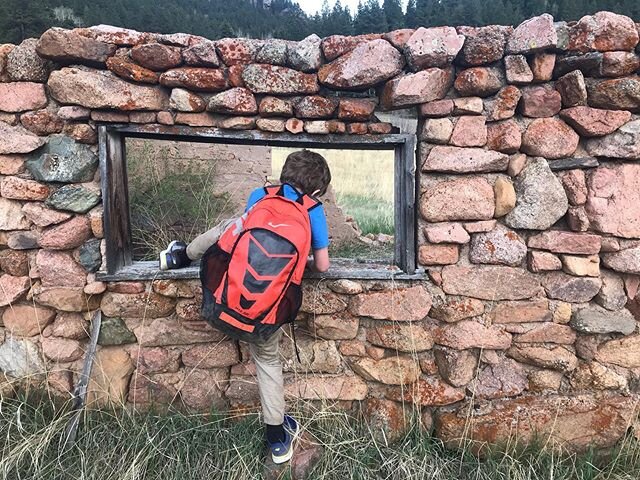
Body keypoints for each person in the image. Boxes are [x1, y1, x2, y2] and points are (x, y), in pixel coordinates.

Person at [159, 149, 331, 464]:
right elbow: (322, 265)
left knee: (231, 223)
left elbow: (234, 238)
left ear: (283, 176)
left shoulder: (260, 195)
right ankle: (278, 441)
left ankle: (179, 256)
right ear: (318, 192)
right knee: (268, 365)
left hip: (226, 300)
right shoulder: (313, 211)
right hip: (265, 316)